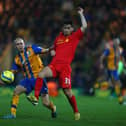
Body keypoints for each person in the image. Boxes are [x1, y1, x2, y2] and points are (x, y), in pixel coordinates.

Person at [28, 7, 87, 121]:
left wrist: (81, 13)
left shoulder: (75, 37)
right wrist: (53, 51)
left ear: (72, 29)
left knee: (67, 92)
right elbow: (54, 48)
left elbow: (84, 26)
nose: (66, 29)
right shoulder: (58, 37)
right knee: (41, 74)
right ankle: (35, 97)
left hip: (65, 68)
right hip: (54, 66)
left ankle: (76, 111)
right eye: (64, 27)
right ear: (62, 28)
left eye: (68, 28)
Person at [1, 38, 56, 119]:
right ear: (15, 46)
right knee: (16, 91)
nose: (20, 45)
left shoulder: (32, 49)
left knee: (46, 103)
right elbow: (12, 72)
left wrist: (51, 48)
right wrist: (4, 79)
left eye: (21, 43)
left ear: (24, 44)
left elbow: (45, 50)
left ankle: (53, 108)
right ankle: (13, 114)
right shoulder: (17, 59)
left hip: (39, 78)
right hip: (28, 80)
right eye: (18, 44)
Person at [100, 38, 124, 104]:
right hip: (110, 69)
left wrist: (121, 63)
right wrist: (101, 64)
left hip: (114, 69)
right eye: (115, 43)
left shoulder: (119, 50)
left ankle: (120, 98)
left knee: (116, 83)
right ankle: (120, 98)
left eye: (117, 43)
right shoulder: (109, 50)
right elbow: (102, 57)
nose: (116, 44)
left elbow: (120, 58)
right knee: (116, 83)